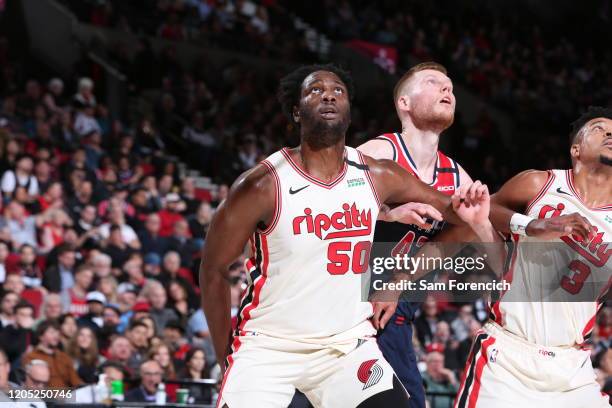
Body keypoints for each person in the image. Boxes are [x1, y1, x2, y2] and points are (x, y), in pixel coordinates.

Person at [200, 64, 494, 408]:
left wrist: (501, 220)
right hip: (269, 345)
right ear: (297, 112)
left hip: (346, 347)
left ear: (349, 112)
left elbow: (460, 212)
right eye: (315, 90)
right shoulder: (261, 185)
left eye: (338, 90)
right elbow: (213, 270)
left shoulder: (378, 174)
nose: (328, 94)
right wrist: (226, 357)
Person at [451, 107, 612, 407]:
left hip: (571, 367)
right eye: (599, 128)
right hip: (509, 355)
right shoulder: (541, 184)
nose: (610, 134)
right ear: (576, 149)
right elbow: (484, 211)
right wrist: (533, 225)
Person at [21, 320, 83, 388]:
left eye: (58, 333)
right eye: (52, 332)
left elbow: (75, 381)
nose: (56, 336)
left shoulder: (64, 357)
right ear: (41, 336)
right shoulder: (31, 356)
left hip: (66, 396)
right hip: (43, 396)